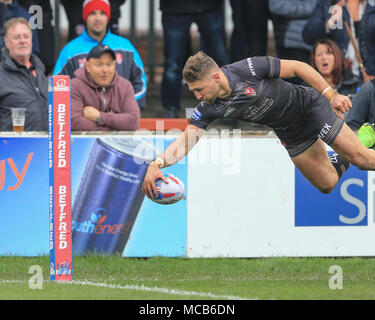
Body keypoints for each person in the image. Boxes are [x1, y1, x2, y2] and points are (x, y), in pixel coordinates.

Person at [142, 51, 375, 198]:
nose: (197, 97)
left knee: (363, 160)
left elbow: (297, 67)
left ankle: (359, 146)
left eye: (199, 90)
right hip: (289, 131)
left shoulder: (247, 69)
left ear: (216, 77)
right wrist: (156, 164)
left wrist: (330, 95)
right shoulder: (208, 108)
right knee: (327, 184)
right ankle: (360, 141)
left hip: (310, 109)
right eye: (193, 92)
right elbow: (185, 142)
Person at [53, 0, 147, 110]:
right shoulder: (70, 51)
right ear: (85, 17)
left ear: (108, 17)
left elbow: (140, 82)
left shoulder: (126, 47)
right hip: (83, 123)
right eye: (92, 13)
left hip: (121, 122)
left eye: (102, 13)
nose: (98, 18)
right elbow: (58, 88)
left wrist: (126, 108)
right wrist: (78, 112)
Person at [159, 0, 230, 118]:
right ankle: (170, 108)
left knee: (220, 58)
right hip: (176, 7)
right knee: (173, 63)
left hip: (203, 6)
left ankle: (228, 105)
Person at [71, 44, 140, 131]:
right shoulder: (74, 86)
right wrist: (115, 127)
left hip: (118, 144)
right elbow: (74, 123)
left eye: (109, 64)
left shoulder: (125, 86)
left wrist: (99, 117)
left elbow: (133, 122)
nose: (105, 70)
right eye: (99, 65)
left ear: (115, 66)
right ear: (87, 66)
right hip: (85, 144)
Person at [302, 0, 375, 80]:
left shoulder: (372, 5)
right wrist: (330, 23)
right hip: (339, 78)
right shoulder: (328, 4)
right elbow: (307, 36)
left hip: (369, 76)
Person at [0, 17, 48, 131]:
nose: (22, 41)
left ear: (31, 40)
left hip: (44, 144)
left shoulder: (40, 69)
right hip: (13, 146)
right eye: (16, 37)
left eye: (26, 36)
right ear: (6, 42)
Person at [269, 0, 317, 84]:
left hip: (317, 45)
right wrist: (311, 8)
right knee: (295, 88)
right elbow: (276, 5)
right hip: (292, 45)